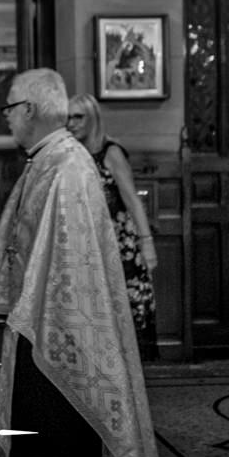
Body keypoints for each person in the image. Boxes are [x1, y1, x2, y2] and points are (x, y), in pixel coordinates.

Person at [0, 69, 176, 457]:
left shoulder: (68, 167)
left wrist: (33, 316)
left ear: (30, 109)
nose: (8, 118)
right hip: (36, 324)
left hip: (61, 335)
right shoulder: (48, 159)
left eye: (10, 108)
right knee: (37, 436)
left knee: (58, 437)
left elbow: (69, 265)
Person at [68, 93, 160, 360]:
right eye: (68, 118)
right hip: (86, 243)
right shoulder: (71, 155)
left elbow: (131, 199)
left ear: (92, 118)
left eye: (78, 117)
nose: (71, 123)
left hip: (119, 244)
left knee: (125, 309)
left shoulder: (111, 151)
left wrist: (147, 242)